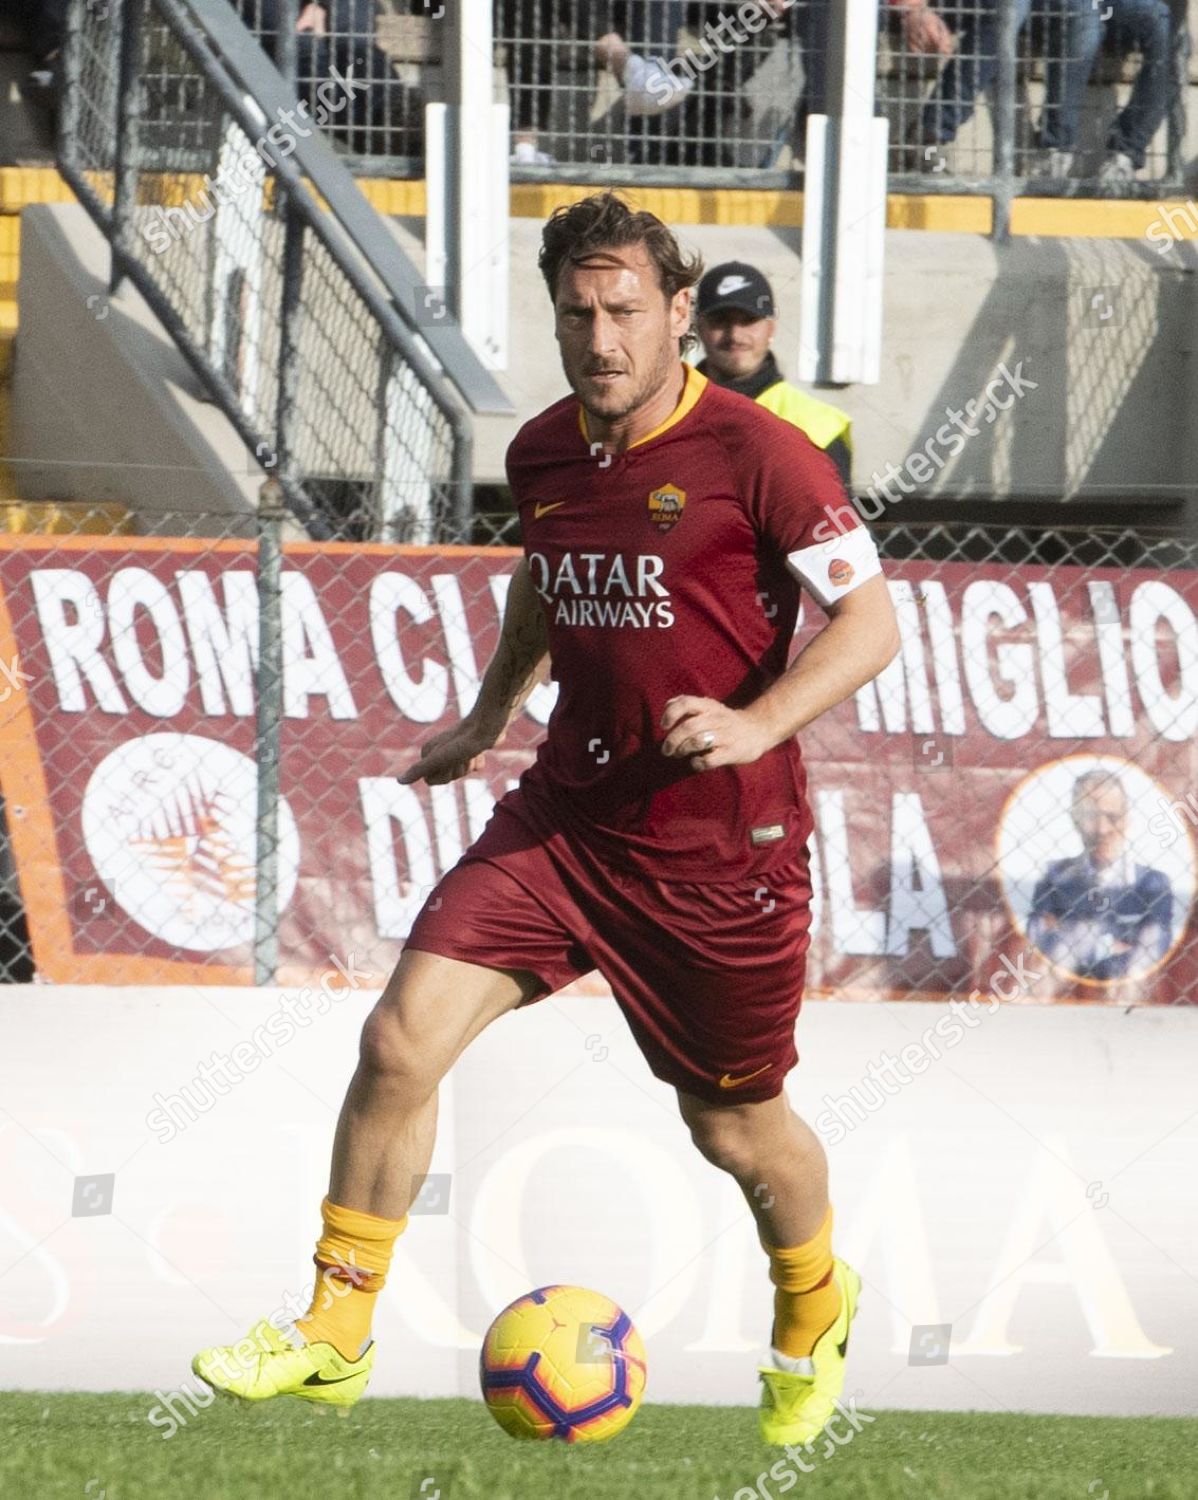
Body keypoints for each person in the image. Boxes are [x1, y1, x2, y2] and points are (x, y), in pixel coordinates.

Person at [192, 192, 900, 1447]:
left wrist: (755, 724)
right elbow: (545, 579)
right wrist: (482, 718)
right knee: (401, 1043)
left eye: (625, 310)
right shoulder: (542, 454)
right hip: (565, 818)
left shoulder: (759, 453)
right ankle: (332, 1337)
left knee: (732, 1128)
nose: (600, 338)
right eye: (576, 313)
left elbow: (871, 623)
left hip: (715, 849)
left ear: (678, 314)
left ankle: (812, 1302)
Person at [695, 260, 852, 487]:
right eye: (720, 321)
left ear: (771, 328)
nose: (735, 335)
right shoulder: (662, 414)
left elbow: (837, 520)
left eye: (749, 320)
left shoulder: (820, 425)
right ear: (699, 327)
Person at [1028, 769, 1174, 982]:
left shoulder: (1153, 884)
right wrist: (1113, 946)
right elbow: (1040, 951)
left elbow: (1146, 958)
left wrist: (1072, 939)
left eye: (1112, 817)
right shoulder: (1053, 877)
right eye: (1090, 817)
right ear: (1074, 820)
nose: (1102, 829)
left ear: (1126, 819)